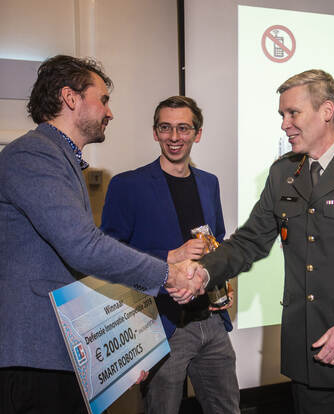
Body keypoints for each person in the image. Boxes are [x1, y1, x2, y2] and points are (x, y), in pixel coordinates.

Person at [187, 70, 334, 413]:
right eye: (282, 114)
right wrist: (202, 272)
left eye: (293, 113)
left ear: (326, 111)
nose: (284, 124)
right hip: (309, 359)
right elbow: (249, 241)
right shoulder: (283, 173)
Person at [0, 56, 204, 414]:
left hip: (58, 355)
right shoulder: (34, 155)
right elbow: (84, 248)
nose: (110, 112)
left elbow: (72, 267)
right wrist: (168, 274)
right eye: (103, 100)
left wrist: (124, 351)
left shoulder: (61, 159)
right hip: (34, 357)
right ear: (71, 98)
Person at [101, 96, 240, 413]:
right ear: (155, 132)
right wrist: (170, 255)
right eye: (165, 128)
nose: (174, 137)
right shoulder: (128, 185)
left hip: (211, 320)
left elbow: (215, 241)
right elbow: (108, 254)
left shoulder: (209, 183)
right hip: (162, 325)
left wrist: (221, 279)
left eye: (183, 128)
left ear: (197, 134)